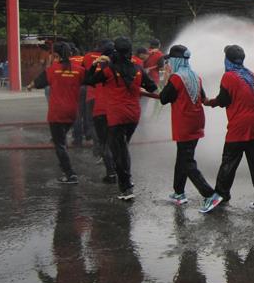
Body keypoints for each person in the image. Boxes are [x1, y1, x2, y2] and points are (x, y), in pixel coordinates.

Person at [85, 37, 157, 200]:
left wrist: (95, 64)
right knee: (123, 148)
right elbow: (152, 86)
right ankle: (126, 182)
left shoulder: (109, 70)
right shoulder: (138, 68)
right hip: (133, 115)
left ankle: (126, 188)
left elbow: (89, 80)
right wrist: (137, 86)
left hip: (117, 115)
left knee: (118, 152)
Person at [204, 45, 254, 210]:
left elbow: (223, 100)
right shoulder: (250, 74)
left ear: (227, 59)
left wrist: (210, 102)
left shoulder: (228, 76)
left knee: (229, 161)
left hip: (239, 126)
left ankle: (221, 194)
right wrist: (249, 98)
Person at [158, 45, 217, 210]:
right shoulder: (195, 76)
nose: (168, 63)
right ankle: (179, 192)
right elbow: (203, 97)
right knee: (183, 157)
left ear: (175, 61)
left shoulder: (176, 78)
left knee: (187, 162)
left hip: (184, 123)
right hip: (196, 121)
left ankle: (210, 195)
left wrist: (166, 78)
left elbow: (163, 98)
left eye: (170, 60)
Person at [26, 42, 85, 184]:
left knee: (59, 144)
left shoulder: (52, 70)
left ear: (56, 55)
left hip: (57, 113)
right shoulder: (79, 70)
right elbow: (91, 80)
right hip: (72, 112)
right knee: (62, 139)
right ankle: (64, 165)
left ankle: (70, 174)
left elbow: (38, 82)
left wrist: (30, 86)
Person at [86, 40, 118, 183]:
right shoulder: (122, 70)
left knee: (105, 143)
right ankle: (121, 172)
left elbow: (88, 79)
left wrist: (94, 65)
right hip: (117, 110)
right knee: (117, 143)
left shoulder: (101, 73)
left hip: (101, 110)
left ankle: (111, 173)